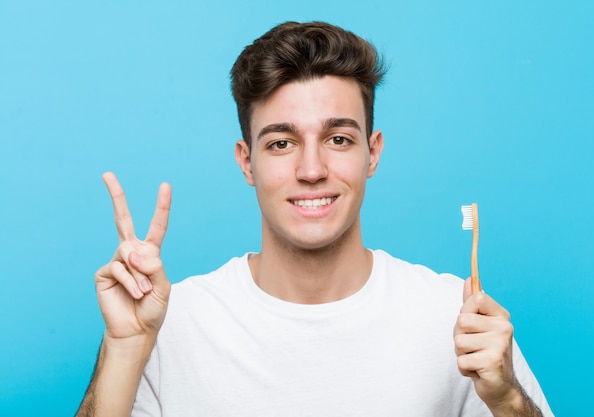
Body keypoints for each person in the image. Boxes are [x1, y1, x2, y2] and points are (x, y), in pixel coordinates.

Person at [76, 21, 553, 417]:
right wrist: (124, 347)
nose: (311, 170)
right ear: (247, 162)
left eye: (339, 139)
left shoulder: (457, 315)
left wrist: (508, 400)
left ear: (373, 152)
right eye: (281, 143)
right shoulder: (170, 322)